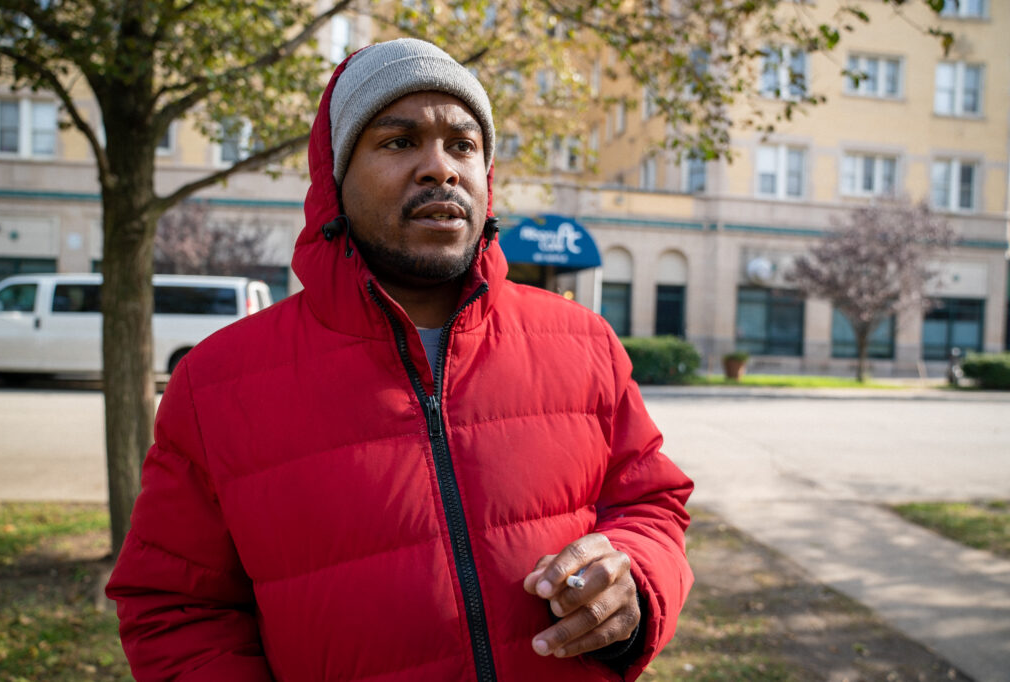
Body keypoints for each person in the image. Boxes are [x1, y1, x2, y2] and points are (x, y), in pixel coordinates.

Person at [106, 38, 693, 682]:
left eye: (463, 145)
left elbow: (651, 506)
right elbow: (174, 608)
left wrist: (635, 582)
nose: (440, 167)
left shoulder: (583, 342)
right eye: (398, 141)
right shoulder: (216, 384)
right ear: (335, 179)